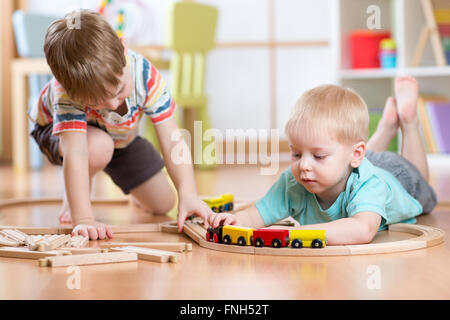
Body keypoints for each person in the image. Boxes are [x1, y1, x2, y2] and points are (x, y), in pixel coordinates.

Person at [30, 10, 212, 240]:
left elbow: (172, 139)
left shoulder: (146, 76)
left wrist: (189, 192)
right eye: (97, 103)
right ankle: (76, 196)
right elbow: (76, 152)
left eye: (119, 91)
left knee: (163, 202)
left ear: (123, 51)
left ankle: (125, 186)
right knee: (98, 146)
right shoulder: (65, 93)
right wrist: (83, 219)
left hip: (120, 138)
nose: (113, 104)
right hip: (65, 139)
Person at [207, 77, 437, 245]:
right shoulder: (294, 181)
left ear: (356, 155)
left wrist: (299, 234)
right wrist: (235, 221)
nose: (304, 165)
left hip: (399, 179)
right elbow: (258, 213)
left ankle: (407, 121)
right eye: (296, 154)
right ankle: (386, 127)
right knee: (353, 155)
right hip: (358, 161)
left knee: (421, 181)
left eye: (318, 156)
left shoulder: (370, 185)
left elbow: (362, 229)